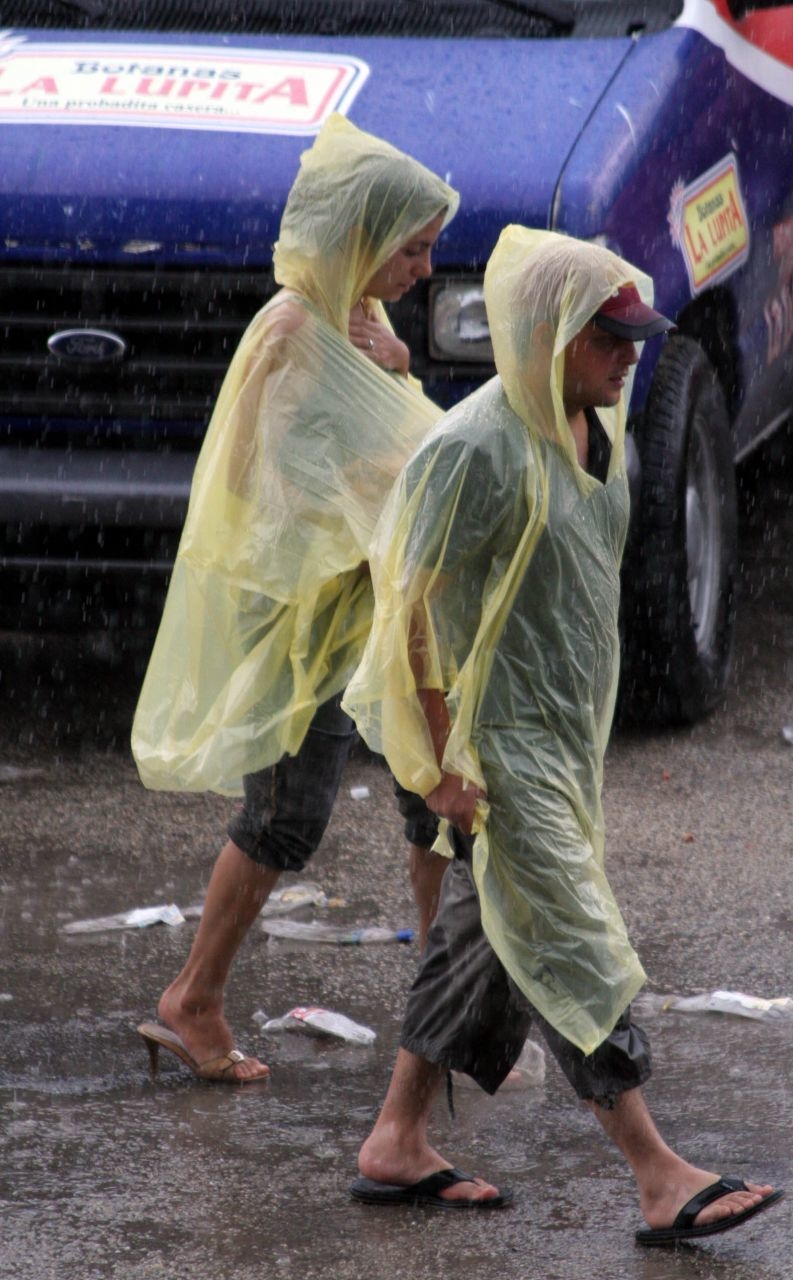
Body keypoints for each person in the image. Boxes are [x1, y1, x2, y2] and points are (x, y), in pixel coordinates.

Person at [341, 226, 784, 1243]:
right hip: (494, 752)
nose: (630, 354)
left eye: (633, 335)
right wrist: (440, 762)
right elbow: (407, 604)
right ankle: (656, 1170)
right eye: (609, 337)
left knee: (484, 935)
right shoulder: (473, 448)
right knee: (570, 940)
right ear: (547, 335)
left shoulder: (595, 424)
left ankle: (396, 1137)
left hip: (563, 741)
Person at [130, 114, 457, 1083]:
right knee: (285, 816)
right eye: (413, 247)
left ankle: (443, 1018)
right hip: (301, 617)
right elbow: (250, 486)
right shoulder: (287, 330)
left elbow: (387, 443)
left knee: (431, 793)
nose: (425, 270)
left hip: (379, 611)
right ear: (361, 235)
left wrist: (390, 368)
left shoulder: (365, 319)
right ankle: (192, 996)